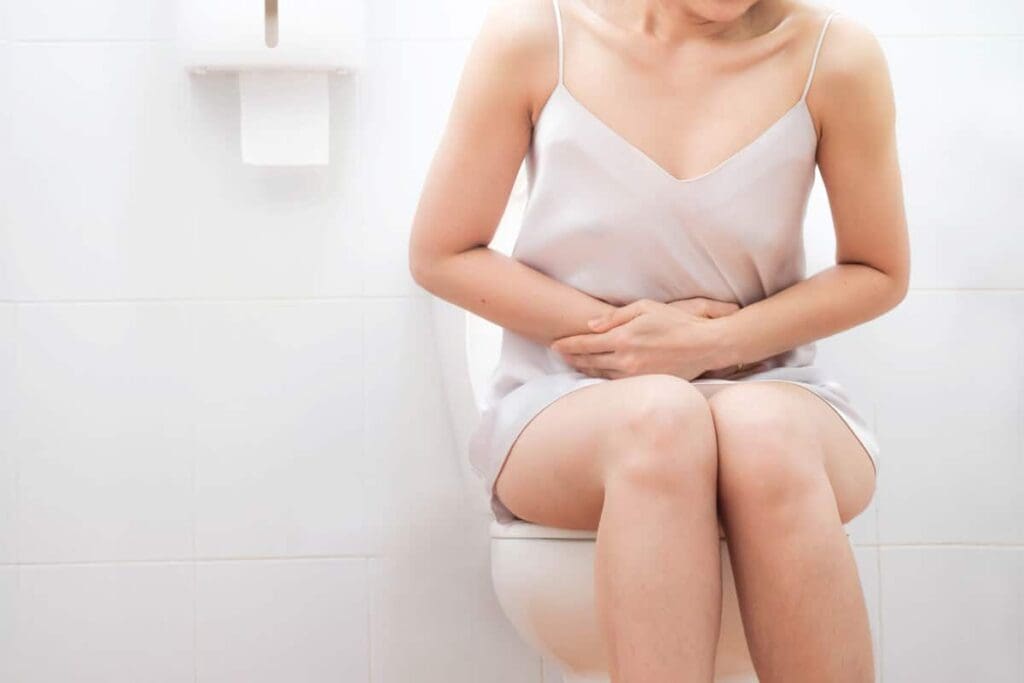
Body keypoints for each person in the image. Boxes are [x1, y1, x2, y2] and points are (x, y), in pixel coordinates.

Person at [408, 0, 909, 680]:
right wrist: (631, 346)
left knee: (759, 429)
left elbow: (878, 269)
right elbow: (443, 252)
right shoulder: (535, 35)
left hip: (772, 389)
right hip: (567, 401)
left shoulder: (833, 55)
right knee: (661, 419)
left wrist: (717, 343)